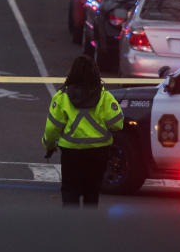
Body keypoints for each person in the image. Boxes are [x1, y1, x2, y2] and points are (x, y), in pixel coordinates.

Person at [42, 55, 124, 207]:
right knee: (91, 194)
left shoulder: (62, 97)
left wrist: (49, 146)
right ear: (95, 73)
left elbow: (52, 128)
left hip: (71, 154)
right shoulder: (105, 97)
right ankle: (89, 227)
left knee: (70, 192)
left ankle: (73, 228)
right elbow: (117, 124)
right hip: (98, 154)